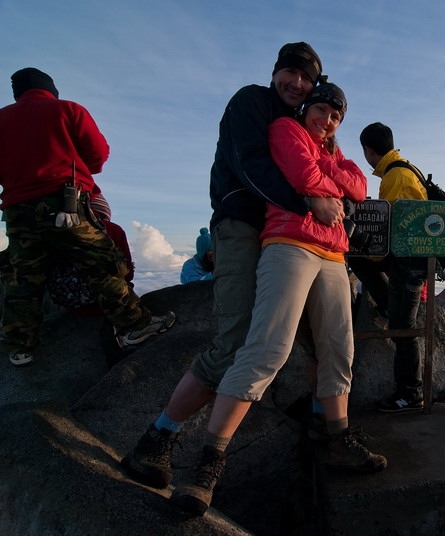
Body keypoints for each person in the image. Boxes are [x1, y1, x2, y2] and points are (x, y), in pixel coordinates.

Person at [121, 43, 346, 490]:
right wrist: (307, 201)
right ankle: (158, 438)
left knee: (322, 342)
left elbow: (339, 177)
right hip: (243, 225)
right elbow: (252, 166)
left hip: (286, 235)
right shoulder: (250, 102)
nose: (296, 84)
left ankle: (330, 433)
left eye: (305, 79)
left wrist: (333, 205)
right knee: (238, 341)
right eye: (290, 74)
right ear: (275, 72)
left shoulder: (306, 126)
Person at [169, 80, 386, 517]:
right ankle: (207, 464)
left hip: (334, 253)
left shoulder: (331, 151)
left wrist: (332, 182)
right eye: (321, 110)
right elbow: (300, 176)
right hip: (290, 243)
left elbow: (359, 187)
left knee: (339, 350)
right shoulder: (287, 130)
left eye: (335, 116)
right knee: (268, 349)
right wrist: (326, 186)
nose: (326, 120)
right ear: (308, 109)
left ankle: (337, 437)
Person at [0, 67, 175, 367]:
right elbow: (98, 154)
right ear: (50, 89)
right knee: (102, 263)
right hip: (66, 205)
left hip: (17, 211)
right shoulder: (67, 110)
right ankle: (135, 326)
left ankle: (20, 347)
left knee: (23, 278)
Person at [348, 122, 428, 413]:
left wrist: (370, 251)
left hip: (409, 263)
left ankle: (410, 393)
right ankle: (386, 305)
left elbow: (392, 232)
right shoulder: (405, 169)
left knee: (402, 328)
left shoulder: (395, 177)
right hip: (409, 258)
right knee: (357, 258)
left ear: (368, 151)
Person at [45, 193, 136, 316]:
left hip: (68, 303)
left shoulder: (59, 230)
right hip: (108, 304)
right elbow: (128, 273)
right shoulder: (113, 229)